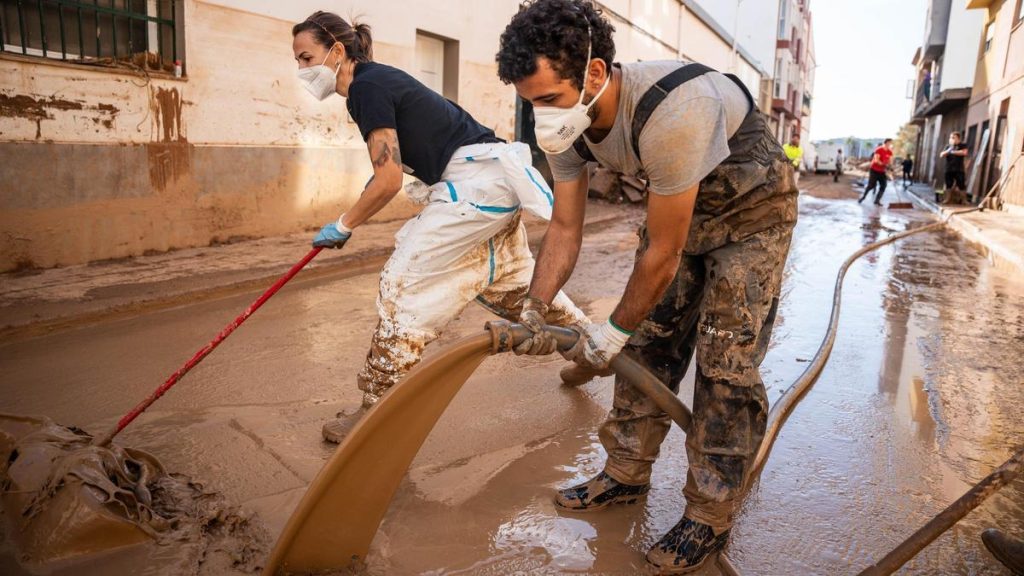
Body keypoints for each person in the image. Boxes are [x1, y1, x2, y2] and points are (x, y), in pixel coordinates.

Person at [496, 0, 798, 571]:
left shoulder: (675, 111)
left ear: (593, 73)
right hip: (679, 205)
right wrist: (535, 310)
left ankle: (709, 512)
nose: (540, 117)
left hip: (752, 212)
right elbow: (564, 228)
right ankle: (625, 473)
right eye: (528, 102)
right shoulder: (570, 125)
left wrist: (610, 330)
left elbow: (664, 252)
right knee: (648, 342)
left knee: (723, 358)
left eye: (547, 100)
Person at [291, 11, 588, 443]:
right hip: (490, 185)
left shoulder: (365, 88)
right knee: (508, 283)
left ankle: (375, 410)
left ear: (337, 51)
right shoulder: (377, 80)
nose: (302, 70)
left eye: (306, 57)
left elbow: (389, 179)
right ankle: (589, 350)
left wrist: (343, 223)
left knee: (404, 285)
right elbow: (387, 170)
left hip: (473, 188)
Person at [859, 138, 894, 205]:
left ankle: (877, 200)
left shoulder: (890, 152)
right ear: (886, 143)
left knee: (884, 185)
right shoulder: (879, 150)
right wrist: (884, 165)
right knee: (871, 186)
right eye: (889, 143)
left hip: (882, 171)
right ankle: (863, 197)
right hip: (874, 170)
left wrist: (891, 167)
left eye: (891, 143)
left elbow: (890, 161)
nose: (890, 144)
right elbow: (876, 160)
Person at [939, 131, 968, 204]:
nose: (951, 139)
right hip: (949, 169)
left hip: (959, 169)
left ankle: (964, 200)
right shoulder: (948, 146)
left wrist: (953, 152)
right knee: (948, 185)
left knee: (961, 185)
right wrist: (949, 150)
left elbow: (964, 152)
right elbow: (941, 154)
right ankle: (947, 199)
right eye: (950, 137)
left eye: (953, 137)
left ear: (958, 138)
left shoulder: (962, 145)